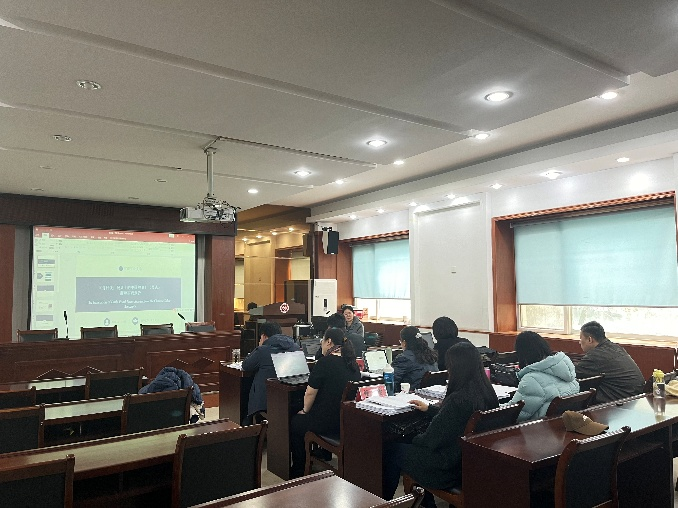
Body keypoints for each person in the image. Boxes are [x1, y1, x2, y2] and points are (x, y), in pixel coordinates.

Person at [383, 342, 499, 506]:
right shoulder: (486, 392)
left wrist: (412, 437)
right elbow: (456, 419)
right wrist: (430, 409)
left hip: (446, 468)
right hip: (469, 463)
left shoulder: (458, 399)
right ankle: (424, 501)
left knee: (392, 449)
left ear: (456, 368)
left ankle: (383, 501)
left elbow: (431, 440)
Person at [289, 327, 361, 478]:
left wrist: (304, 411)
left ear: (328, 342)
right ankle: (323, 453)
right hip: (344, 421)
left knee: (295, 422)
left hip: (325, 423)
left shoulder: (324, 363)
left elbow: (310, 393)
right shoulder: (353, 364)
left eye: (322, 341)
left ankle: (299, 468)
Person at [507, 331, 579, 422]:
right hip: (562, 425)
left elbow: (514, 414)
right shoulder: (566, 371)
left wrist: (498, 407)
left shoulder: (532, 380)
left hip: (538, 428)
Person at [241, 321, 300, 425]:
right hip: (291, 400)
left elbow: (246, 365)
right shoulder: (295, 347)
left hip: (265, 402)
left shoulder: (263, 350)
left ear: (263, 336)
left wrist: (259, 347)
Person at [575, 321, 645, 403]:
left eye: (581, 338)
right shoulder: (615, 347)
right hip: (636, 397)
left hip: (622, 401)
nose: (579, 342)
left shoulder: (596, 355)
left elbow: (571, 374)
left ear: (590, 339)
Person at [392, 326, 437, 391]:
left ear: (404, 343)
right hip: (429, 393)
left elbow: (391, 382)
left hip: (411, 394)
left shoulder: (403, 358)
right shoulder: (431, 355)